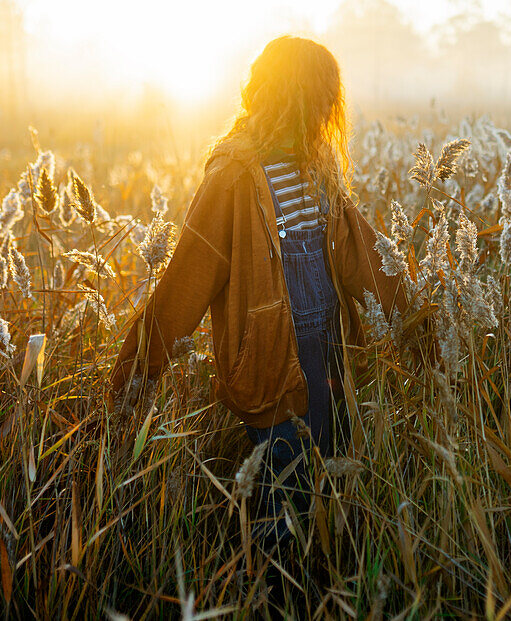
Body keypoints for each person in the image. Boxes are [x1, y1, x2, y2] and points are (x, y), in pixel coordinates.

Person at [106, 35, 407, 609]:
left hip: (331, 357)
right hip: (270, 364)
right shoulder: (236, 178)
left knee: (328, 491)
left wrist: (427, 327)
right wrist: (128, 389)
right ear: (296, 96)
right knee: (281, 508)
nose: (328, 111)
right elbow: (181, 290)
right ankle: (277, 601)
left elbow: (366, 260)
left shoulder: (317, 171)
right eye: (322, 96)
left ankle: (323, 593)